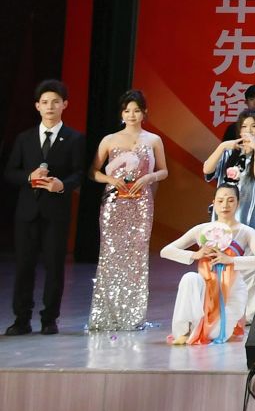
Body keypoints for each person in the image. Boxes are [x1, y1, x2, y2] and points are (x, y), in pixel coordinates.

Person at [6, 79, 87, 336]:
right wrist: (28, 177)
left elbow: (80, 173)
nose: (50, 107)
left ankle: (50, 319)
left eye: (55, 102)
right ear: (37, 106)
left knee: (54, 266)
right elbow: (10, 172)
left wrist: (62, 185)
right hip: (27, 213)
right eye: (44, 102)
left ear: (65, 105)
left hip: (56, 213)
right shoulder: (24, 138)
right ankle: (21, 319)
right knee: (24, 266)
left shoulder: (74, 138)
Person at [85, 88, 168, 332]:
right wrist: (110, 180)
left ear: (144, 113)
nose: (131, 115)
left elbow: (164, 170)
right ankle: (106, 314)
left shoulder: (153, 140)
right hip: (114, 203)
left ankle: (133, 315)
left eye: (136, 110)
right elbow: (93, 171)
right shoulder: (109, 140)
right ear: (121, 113)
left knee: (136, 257)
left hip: (141, 203)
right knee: (110, 255)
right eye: (127, 110)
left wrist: (150, 177)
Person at [162, 185, 255, 345]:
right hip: (206, 286)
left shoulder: (246, 231)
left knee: (213, 334)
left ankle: (202, 328)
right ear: (214, 203)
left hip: (232, 290)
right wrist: (195, 255)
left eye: (230, 200)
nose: (225, 205)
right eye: (220, 201)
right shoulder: (202, 230)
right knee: (189, 278)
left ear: (238, 203)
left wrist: (231, 260)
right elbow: (166, 251)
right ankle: (183, 331)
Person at [202, 110, 255, 237]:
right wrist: (222, 146)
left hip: (249, 216)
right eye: (244, 126)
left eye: (254, 126)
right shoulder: (228, 152)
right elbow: (207, 170)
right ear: (239, 130)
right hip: (223, 214)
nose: (249, 130)